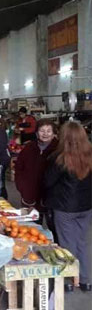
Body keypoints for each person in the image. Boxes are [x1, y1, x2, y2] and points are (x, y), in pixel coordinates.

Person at [44, 121, 92, 292]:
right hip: (86, 207)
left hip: (64, 208)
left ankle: (69, 281)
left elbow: (48, 182)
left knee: (66, 244)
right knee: (81, 242)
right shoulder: (89, 155)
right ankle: (86, 280)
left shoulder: (60, 158)